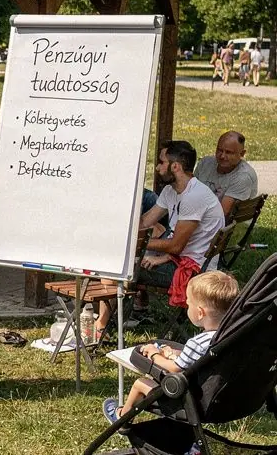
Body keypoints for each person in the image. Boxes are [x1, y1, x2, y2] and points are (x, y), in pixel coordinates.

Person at [102, 271, 238, 423]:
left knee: (141, 383)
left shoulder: (198, 343)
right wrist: (177, 353)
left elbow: (174, 368)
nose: (187, 307)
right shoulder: (230, 337)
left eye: (188, 304)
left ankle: (121, 419)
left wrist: (154, 354)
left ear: (200, 313)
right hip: (222, 399)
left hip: (190, 401)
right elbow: (200, 360)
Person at [136, 140, 225, 293]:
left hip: (192, 270)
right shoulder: (170, 190)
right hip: (177, 258)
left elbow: (176, 246)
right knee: (123, 259)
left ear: (175, 166)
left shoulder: (194, 196)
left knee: (120, 266)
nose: (157, 167)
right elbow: (145, 221)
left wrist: (135, 243)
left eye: (161, 162)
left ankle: (103, 316)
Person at [195, 132, 258, 217]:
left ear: (242, 154)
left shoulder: (243, 177)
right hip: (198, 215)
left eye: (229, 152)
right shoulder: (205, 163)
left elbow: (222, 214)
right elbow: (190, 192)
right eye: (219, 150)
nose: (222, 156)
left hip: (223, 225)